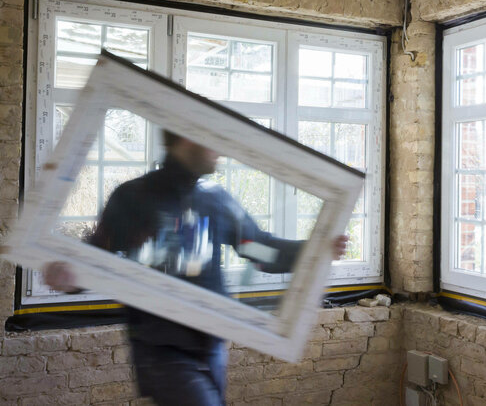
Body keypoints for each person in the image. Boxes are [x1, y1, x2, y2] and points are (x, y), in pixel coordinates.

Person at [44, 131, 348, 406]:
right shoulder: (133, 198)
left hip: (212, 345)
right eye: (213, 138)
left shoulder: (216, 200)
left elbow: (258, 250)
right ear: (188, 137)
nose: (221, 150)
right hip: (161, 351)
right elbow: (98, 255)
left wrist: (317, 249)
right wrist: (69, 277)